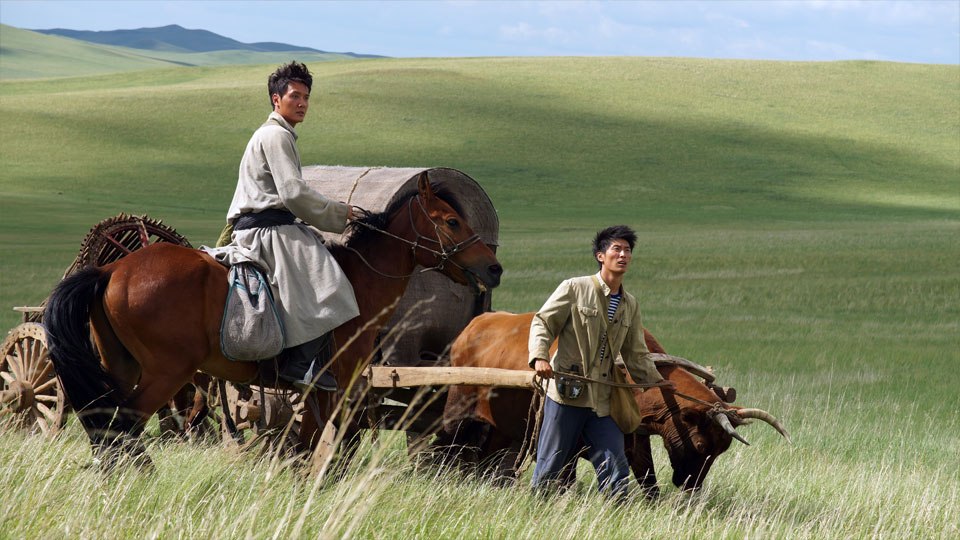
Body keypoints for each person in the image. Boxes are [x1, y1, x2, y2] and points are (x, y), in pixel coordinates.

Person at [214, 61, 359, 392]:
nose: (303, 103)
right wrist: (338, 213)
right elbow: (293, 193)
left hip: (264, 226)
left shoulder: (275, 134)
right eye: (295, 96)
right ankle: (299, 364)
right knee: (331, 283)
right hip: (268, 231)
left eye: (307, 97)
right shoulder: (277, 135)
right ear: (276, 99)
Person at [528, 225, 675, 499]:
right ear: (600, 256)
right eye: (616, 249)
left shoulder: (630, 304)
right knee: (551, 463)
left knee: (615, 465)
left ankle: (615, 521)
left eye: (627, 250)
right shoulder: (574, 287)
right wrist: (539, 357)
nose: (623, 255)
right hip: (567, 393)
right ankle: (536, 513)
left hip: (604, 400)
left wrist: (658, 382)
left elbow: (636, 353)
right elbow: (543, 322)